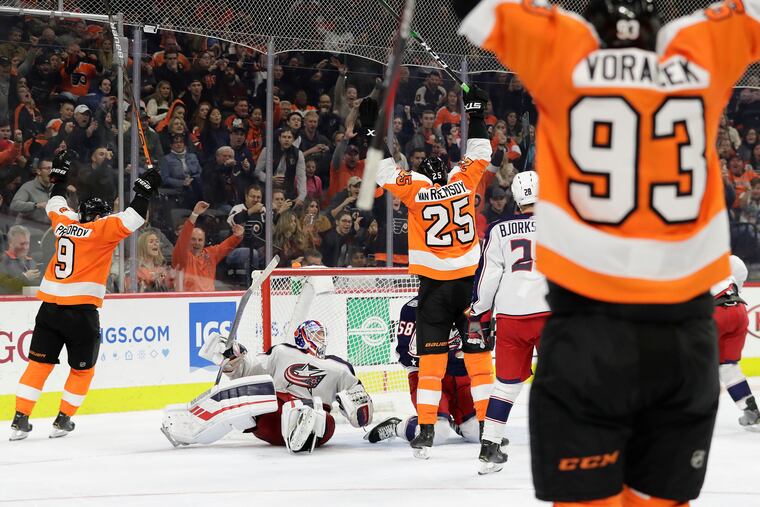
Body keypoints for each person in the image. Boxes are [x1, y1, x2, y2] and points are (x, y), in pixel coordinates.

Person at [455, 0, 743, 504]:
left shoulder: (567, 50)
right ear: (658, 32)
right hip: (683, 329)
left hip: (588, 326)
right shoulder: (697, 52)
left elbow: (478, 6)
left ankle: (492, 441)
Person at [370, 86, 492, 458]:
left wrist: (372, 132)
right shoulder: (462, 181)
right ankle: (490, 426)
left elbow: (382, 169)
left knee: (431, 364)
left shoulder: (417, 189)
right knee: (480, 364)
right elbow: (481, 150)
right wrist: (474, 111)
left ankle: (425, 429)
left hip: (434, 291)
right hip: (470, 291)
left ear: (423, 174)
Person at [9, 150, 162, 441]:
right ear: (101, 215)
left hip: (49, 309)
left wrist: (60, 177)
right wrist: (145, 189)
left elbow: (55, 201)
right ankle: (62, 420)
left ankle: (20, 420)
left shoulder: (64, 222)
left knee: (38, 366)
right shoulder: (102, 229)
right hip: (81, 313)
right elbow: (134, 217)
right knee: (82, 371)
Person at [161, 320, 374, 453]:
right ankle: (190, 426)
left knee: (325, 422)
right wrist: (234, 359)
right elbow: (250, 369)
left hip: (316, 421)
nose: (321, 339)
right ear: (303, 336)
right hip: (276, 413)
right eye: (316, 334)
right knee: (254, 394)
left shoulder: (339, 367)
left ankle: (302, 424)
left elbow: (361, 413)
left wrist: (358, 407)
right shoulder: (283, 352)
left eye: (322, 335)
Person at [469, 171, 549, 474]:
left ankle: (489, 448)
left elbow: (488, 276)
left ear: (515, 198)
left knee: (505, 385)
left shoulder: (498, 228)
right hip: (550, 312)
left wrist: (477, 312)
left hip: (511, 317)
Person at [365, 296, 491, 447]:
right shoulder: (412, 309)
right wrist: (441, 358)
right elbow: (403, 355)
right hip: (426, 378)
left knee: (479, 433)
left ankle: (455, 421)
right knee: (437, 434)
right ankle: (398, 426)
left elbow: (479, 345)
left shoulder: (471, 307)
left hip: (459, 378)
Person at [711, 255, 760, 431]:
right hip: (739, 311)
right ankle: (751, 411)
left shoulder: (689, 262)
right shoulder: (728, 259)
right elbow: (739, 272)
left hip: (714, 313)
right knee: (728, 367)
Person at [172, 201, 243, 291]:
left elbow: (225, 246)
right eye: (193, 239)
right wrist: (194, 214)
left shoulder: (210, 253)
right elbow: (183, 238)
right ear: (188, 241)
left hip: (210, 299)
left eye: (200, 240)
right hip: (189, 301)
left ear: (204, 242)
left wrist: (237, 236)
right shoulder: (181, 256)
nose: (197, 243)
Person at [0, 225, 41, 294]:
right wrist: (25, 277)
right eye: (21, 244)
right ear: (10, 243)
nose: (25, 247)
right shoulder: (2, 261)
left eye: (27, 243)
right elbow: (4, 286)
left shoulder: (32, 262)